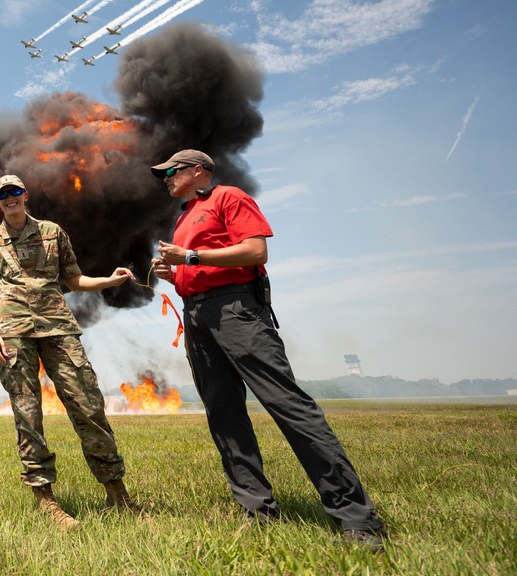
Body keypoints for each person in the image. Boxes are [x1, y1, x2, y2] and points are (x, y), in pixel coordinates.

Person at [149, 150, 387, 551]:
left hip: (237, 310)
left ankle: (357, 518)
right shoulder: (185, 215)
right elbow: (201, 269)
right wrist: (176, 273)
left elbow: (255, 251)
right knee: (224, 414)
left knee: (289, 407)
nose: (166, 178)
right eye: (163, 175)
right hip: (198, 315)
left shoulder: (229, 198)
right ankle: (258, 512)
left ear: (198, 170)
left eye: (171, 171)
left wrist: (189, 256)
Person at [0, 174, 144, 529]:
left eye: (15, 192)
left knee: (88, 404)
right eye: (3, 194)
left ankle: (117, 492)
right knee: (28, 414)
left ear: (25, 195)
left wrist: (109, 281)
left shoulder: (53, 232)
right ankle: (46, 500)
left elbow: (74, 279)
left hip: (58, 328)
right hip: (14, 333)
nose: (10, 198)